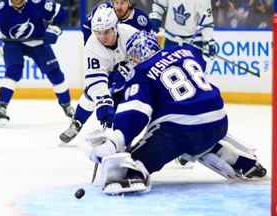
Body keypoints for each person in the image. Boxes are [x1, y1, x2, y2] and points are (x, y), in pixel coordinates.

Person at [83, 31, 267, 195]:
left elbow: (135, 112)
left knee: (136, 157)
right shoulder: (186, 51)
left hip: (182, 130)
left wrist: (115, 141)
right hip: (219, 121)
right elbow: (199, 59)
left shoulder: (141, 71)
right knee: (195, 139)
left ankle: (133, 174)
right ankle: (242, 161)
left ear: (135, 56)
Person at [59, 7, 139, 143]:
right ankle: (77, 122)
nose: (102, 37)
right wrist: (104, 104)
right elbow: (95, 81)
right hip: (109, 73)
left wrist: (128, 70)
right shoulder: (92, 45)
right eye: (98, 32)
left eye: (106, 31)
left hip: (136, 76)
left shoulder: (131, 34)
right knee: (91, 93)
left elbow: (149, 58)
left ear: (115, 27)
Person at [0, 0, 74, 125]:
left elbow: (61, 13)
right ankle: (1, 108)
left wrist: (54, 30)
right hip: (13, 43)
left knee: (55, 73)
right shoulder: (1, 9)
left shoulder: (38, 2)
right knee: (14, 71)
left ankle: (67, 105)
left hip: (38, 42)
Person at [149, 0, 216, 58]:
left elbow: (206, 22)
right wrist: (156, 17)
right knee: (169, 70)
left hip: (193, 43)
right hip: (170, 40)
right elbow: (159, 4)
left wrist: (208, 41)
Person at [81, 0, 151, 45]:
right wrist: (91, 48)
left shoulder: (141, 19)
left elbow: (147, 42)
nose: (118, 7)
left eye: (122, 3)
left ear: (129, 3)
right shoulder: (103, 9)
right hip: (106, 56)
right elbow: (86, 26)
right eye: (116, 3)